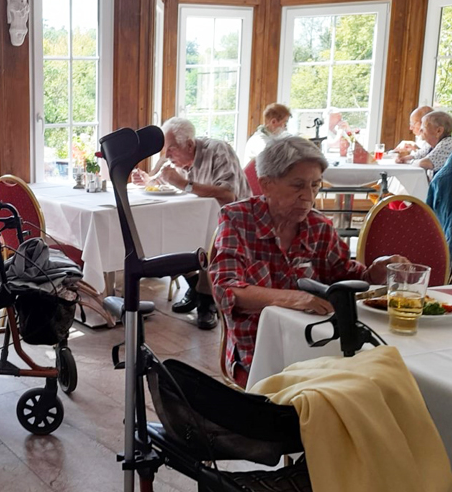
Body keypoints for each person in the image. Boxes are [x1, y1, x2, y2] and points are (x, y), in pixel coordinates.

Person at [210, 137, 407, 388]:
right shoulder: (237, 218)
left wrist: (376, 272)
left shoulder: (318, 226)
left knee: (376, 380)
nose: (309, 196)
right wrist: (292, 298)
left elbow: (346, 276)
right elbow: (226, 289)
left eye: (315, 185)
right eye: (298, 186)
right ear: (267, 185)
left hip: (316, 343)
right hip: (257, 348)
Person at [132, 117, 252, 329]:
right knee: (166, 238)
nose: (166, 155)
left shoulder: (218, 151)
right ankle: (197, 289)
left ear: (189, 144)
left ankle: (206, 302)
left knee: (206, 239)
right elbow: (158, 181)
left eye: (171, 150)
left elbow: (228, 194)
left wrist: (184, 184)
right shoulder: (175, 159)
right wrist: (145, 179)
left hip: (236, 221)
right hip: (198, 219)